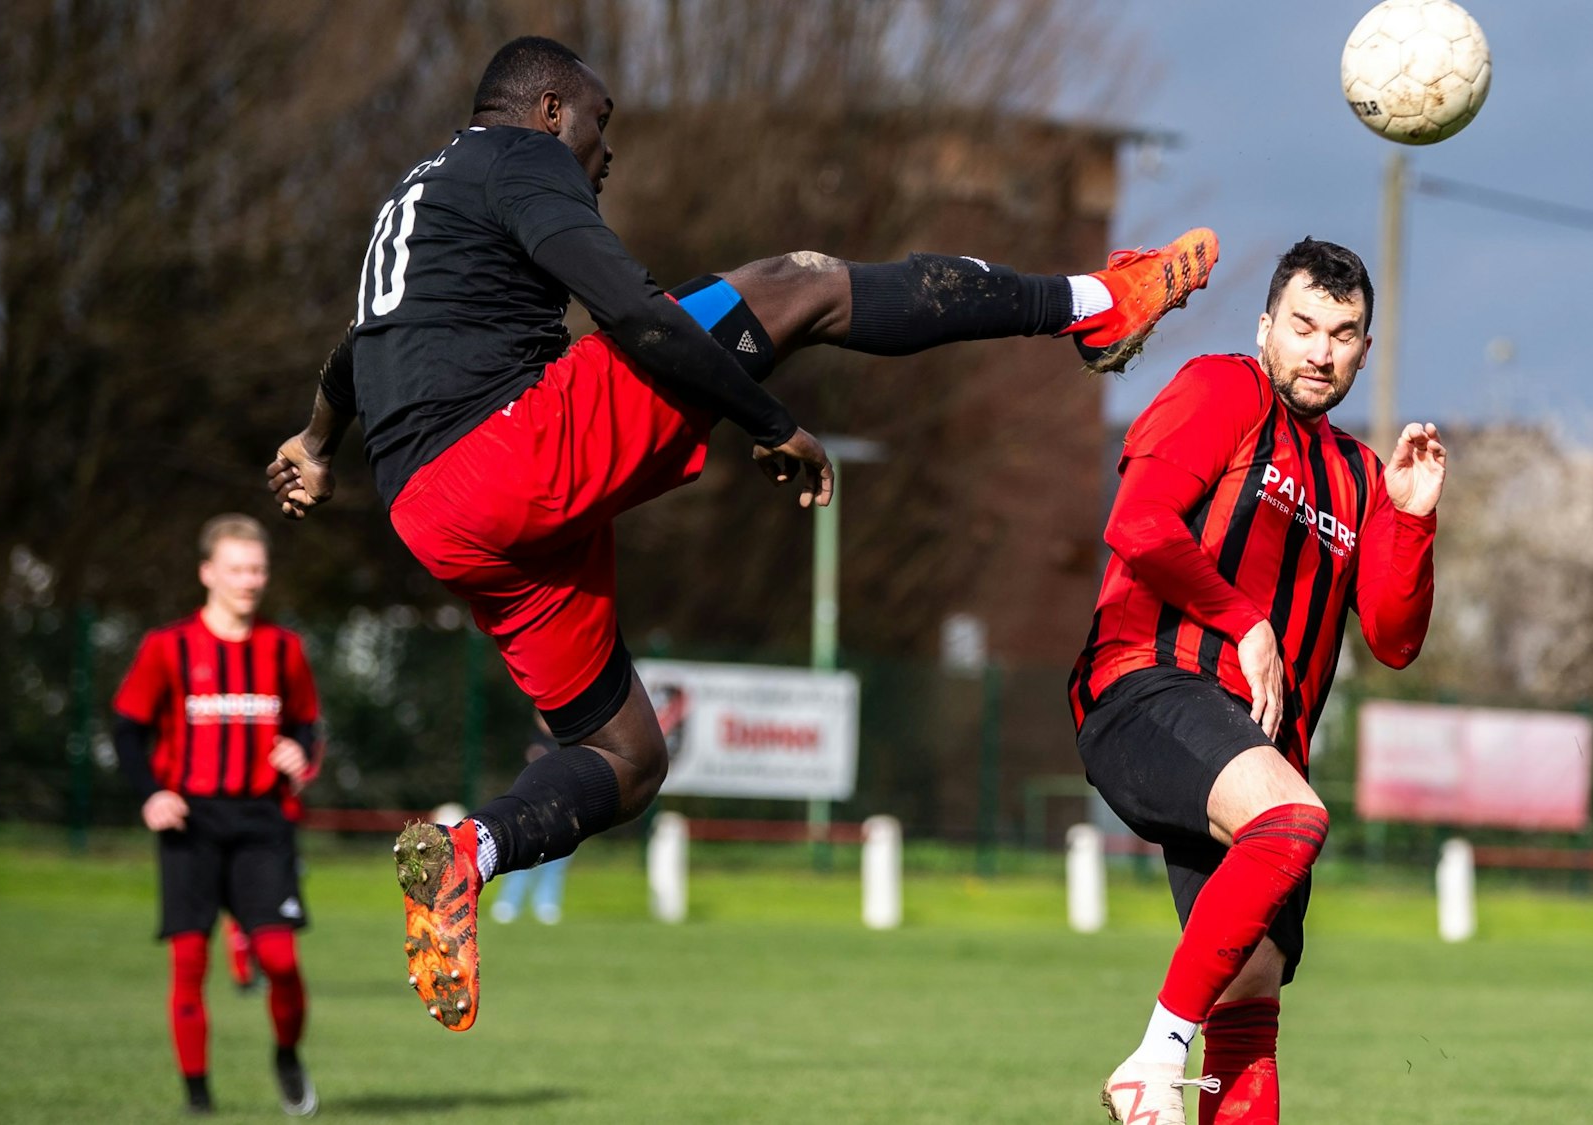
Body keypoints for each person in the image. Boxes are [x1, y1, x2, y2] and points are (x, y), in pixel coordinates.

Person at [263, 35, 1217, 1033]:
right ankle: (1098, 303)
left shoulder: (420, 198)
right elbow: (627, 307)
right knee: (800, 280)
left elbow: (358, 348)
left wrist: (319, 440)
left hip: (434, 514)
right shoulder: (522, 158)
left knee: (624, 755)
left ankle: (471, 856)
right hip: (507, 457)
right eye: (600, 119)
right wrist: (768, 421)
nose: (606, 148)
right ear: (547, 110)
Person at [1067, 239, 1446, 1125]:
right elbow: (1139, 523)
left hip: (1262, 743)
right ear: (1267, 324)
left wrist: (1414, 520)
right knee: (1295, 817)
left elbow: (1394, 641)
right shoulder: (1221, 387)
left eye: (1344, 334)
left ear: (1365, 348)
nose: (1321, 350)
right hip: (1147, 687)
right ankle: (1155, 1060)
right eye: (1304, 325)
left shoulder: (1359, 475)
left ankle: (1175, 1061)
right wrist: (1245, 620)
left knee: (1251, 996)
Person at [112, 514, 322, 1117]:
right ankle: (199, 1098)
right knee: (189, 962)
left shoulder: (284, 649)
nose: (248, 580)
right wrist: (151, 793)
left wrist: (300, 753)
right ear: (208, 573)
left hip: (262, 822)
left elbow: (307, 725)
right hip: (191, 824)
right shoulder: (167, 647)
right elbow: (127, 728)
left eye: (256, 568)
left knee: (280, 960)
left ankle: (286, 1055)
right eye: (236, 568)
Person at [489, 714, 573, 925]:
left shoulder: (569, 742)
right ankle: (508, 903)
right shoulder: (533, 741)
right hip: (533, 812)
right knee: (524, 857)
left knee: (556, 861)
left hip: (562, 810)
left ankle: (547, 904)